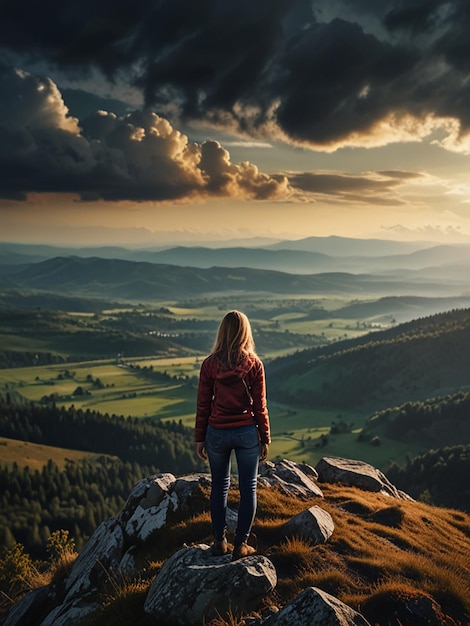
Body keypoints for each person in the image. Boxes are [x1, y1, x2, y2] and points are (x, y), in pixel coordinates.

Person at [195, 310, 270, 560]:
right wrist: (265, 437)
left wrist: (199, 438)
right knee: (248, 488)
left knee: (219, 487)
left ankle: (219, 542)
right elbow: (260, 406)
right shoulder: (254, 365)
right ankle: (241, 545)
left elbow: (203, 405)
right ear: (245, 332)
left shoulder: (209, 365)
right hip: (247, 432)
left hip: (216, 432)